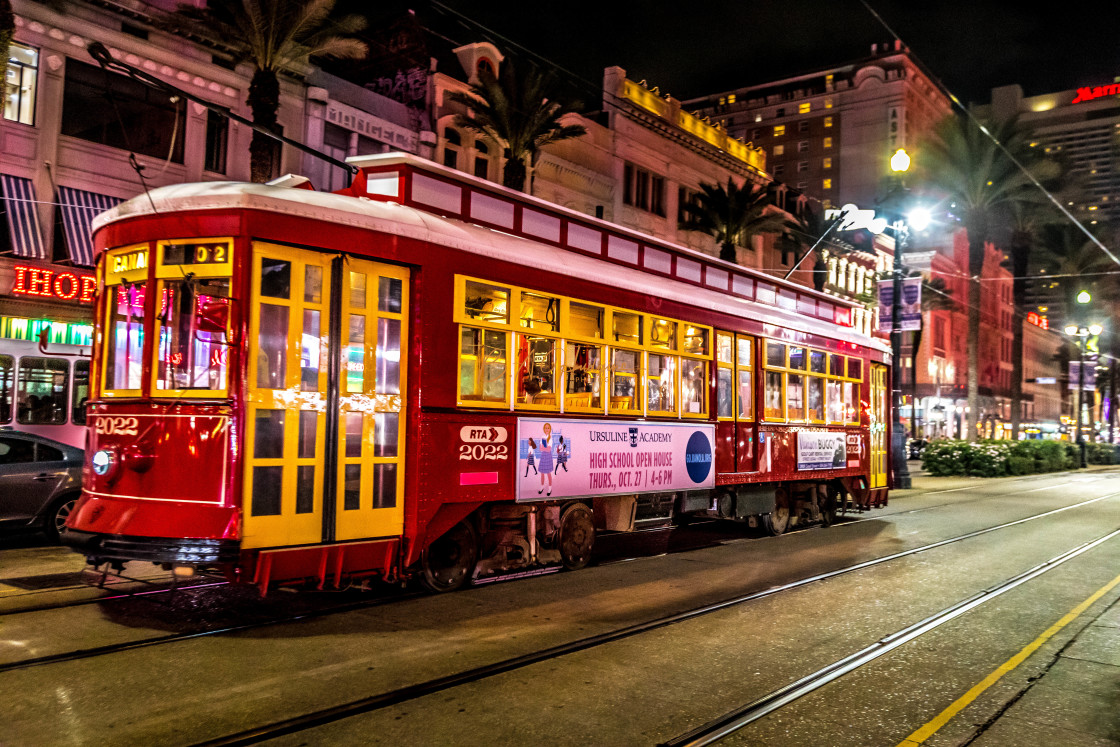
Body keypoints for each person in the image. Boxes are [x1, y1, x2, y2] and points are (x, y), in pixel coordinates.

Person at [537, 424, 554, 496]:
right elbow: (540, 448)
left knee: (548, 473)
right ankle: (542, 487)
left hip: (548, 456)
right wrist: (545, 448)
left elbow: (548, 449)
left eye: (548, 428)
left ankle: (550, 488)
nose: (547, 429)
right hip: (543, 455)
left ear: (550, 429)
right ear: (544, 429)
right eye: (546, 428)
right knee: (542, 473)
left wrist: (545, 448)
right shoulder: (542, 437)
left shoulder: (550, 438)